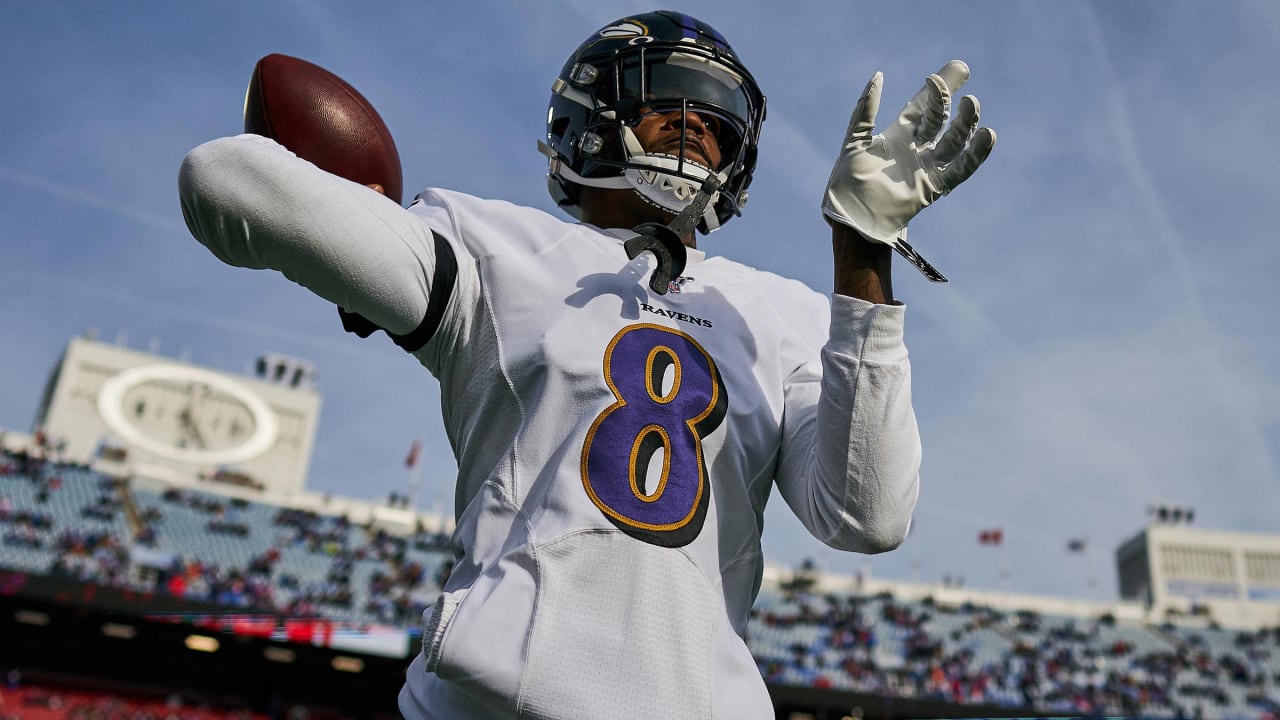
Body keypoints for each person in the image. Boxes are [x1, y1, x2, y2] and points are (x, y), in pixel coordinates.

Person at [178, 10, 994, 720]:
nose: (699, 126)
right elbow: (224, 180)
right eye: (670, 98)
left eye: (717, 120)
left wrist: (862, 255)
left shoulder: (783, 313)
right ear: (591, 114)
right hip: (483, 707)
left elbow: (869, 516)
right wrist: (361, 227)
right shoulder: (492, 243)